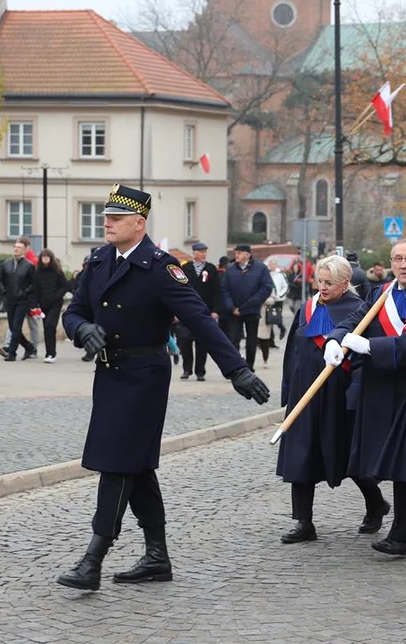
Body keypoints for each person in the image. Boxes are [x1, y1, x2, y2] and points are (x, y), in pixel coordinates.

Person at [56, 184, 270, 591]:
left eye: (116, 218)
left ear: (139, 223)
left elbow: (201, 320)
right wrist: (82, 329)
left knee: (117, 462)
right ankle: (157, 557)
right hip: (109, 376)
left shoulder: (160, 267)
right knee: (136, 465)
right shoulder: (100, 260)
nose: (107, 222)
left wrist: (236, 370)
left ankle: (93, 559)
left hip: (145, 378)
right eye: (106, 216)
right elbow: (75, 311)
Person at [328, 237, 406, 557]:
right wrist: (336, 337)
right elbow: (357, 320)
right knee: (400, 457)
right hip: (383, 388)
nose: (403, 264)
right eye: (398, 259)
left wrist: (372, 348)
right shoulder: (381, 292)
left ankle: (400, 535)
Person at [276, 255, 389, 544]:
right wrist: (288, 388)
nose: (322, 288)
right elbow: (293, 351)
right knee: (300, 456)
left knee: (348, 458)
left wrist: (355, 394)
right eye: (320, 281)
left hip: (339, 396)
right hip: (305, 394)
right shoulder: (307, 308)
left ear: (345, 284)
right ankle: (303, 522)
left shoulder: (359, 312)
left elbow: (364, 358)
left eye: (329, 283)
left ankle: (376, 504)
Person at [221, 244, 273, 370]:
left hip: (252, 310)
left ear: (248, 255)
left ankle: (249, 366)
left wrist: (248, 305)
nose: (236, 255)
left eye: (239, 253)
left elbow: (266, 288)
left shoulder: (260, 268)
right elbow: (224, 290)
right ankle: (236, 366)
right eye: (236, 253)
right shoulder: (231, 268)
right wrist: (232, 307)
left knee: (251, 341)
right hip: (234, 311)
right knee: (233, 340)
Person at [176, 242, 220, 380]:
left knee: (202, 342)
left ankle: (200, 371)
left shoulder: (211, 269)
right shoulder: (185, 268)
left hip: (204, 311)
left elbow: (217, 291)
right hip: (187, 311)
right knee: (185, 340)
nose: (204, 254)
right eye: (201, 252)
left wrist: (215, 310)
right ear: (194, 253)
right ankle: (186, 369)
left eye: (205, 252)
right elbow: (179, 290)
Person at [0, 238, 38, 362]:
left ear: (24, 250)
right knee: (13, 327)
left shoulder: (29, 265)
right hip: (10, 300)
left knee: (16, 326)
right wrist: (4, 292)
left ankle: (12, 353)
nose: (16, 249)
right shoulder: (6, 264)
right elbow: (0, 280)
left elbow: (33, 284)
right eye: (15, 247)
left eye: (19, 247)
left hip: (22, 301)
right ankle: (29, 347)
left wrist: (24, 293)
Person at [34, 248, 69, 363]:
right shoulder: (38, 272)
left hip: (55, 303)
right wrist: (36, 304)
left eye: (47, 257)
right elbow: (36, 289)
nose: (45, 259)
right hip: (43, 304)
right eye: (43, 257)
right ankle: (49, 353)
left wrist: (56, 296)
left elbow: (65, 286)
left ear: (51, 258)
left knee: (50, 325)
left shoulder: (57, 271)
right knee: (46, 328)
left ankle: (52, 353)